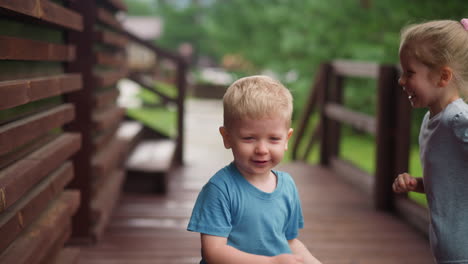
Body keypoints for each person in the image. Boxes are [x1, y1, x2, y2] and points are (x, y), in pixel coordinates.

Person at [187, 75, 321, 264]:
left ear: (286, 140)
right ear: (227, 138)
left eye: (274, 139)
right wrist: (271, 262)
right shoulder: (220, 189)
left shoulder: (287, 186)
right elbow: (214, 252)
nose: (262, 149)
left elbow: (290, 241)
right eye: (249, 138)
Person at [393, 19, 468, 264]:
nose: (401, 81)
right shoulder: (431, 120)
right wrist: (418, 183)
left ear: (443, 76)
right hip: (447, 246)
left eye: (410, 73)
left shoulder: (457, 120)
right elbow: (453, 180)